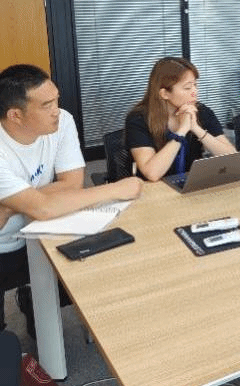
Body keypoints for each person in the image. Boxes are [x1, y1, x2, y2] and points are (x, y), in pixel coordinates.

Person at [0, 64, 142, 334]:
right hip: (3, 244)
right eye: (46, 105)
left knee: (83, 274)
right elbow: (44, 207)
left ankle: (33, 303)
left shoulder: (62, 121)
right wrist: (116, 189)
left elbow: (72, 184)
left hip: (41, 230)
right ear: (15, 115)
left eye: (57, 100)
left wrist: (10, 205)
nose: (57, 110)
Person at [125, 57, 236, 182]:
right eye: (187, 88)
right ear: (164, 93)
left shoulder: (202, 112)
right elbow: (152, 174)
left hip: (192, 184)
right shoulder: (138, 119)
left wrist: (196, 129)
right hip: (155, 189)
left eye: (195, 85)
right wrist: (181, 131)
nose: (195, 92)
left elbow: (232, 158)